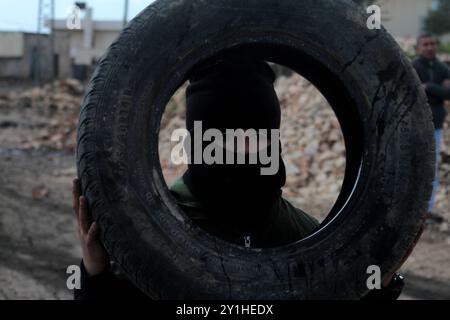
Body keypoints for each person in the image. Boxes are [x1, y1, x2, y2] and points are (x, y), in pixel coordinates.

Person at [73, 54, 405, 300]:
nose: (241, 148)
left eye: (256, 136)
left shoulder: (308, 240)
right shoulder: (150, 230)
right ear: (196, 143)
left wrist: (380, 286)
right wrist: (97, 276)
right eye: (221, 138)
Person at [412, 33, 450, 222]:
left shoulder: (443, 68)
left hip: (435, 127)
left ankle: (426, 210)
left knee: (431, 169)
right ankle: (409, 208)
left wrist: (429, 87)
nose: (429, 47)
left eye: (432, 43)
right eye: (425, 44)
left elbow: (448, 92)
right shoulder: (412, 67)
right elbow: (412, 91)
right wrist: (436, 89)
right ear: (418, 48)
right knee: (412, 166)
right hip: (413, 127)